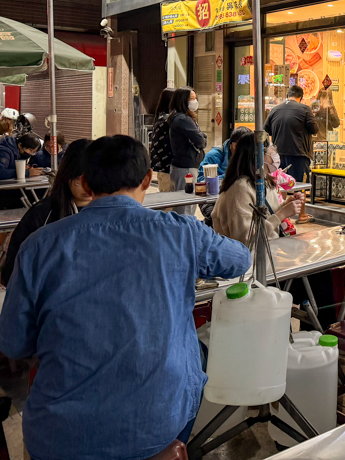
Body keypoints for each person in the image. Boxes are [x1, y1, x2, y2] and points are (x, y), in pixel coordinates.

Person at [0, 135, 251, 459]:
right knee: (196, 356)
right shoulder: (182, 231)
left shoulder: (38, 246)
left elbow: (13, 342)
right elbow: (240, 260)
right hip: (159, 427)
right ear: (147, 179)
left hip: (56, 436)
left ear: (86, 184)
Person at [0, 139, 90, 287]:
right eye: (80, 180)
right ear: (67, 175)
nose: (88, 188)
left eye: (94, 179)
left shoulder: (109, 215)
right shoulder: (43, 215)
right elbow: (13, 271)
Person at [212, 135, 303, 246]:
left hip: (267, 249)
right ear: (259, 156)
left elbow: (265, 214)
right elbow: (245, 238)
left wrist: (286, 205)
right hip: (244, 257)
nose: (276, 154)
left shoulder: (266, 182)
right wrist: (281, 214)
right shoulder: (239, 189)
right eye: (272, 149)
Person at [265, 84, 318, 184]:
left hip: (278, 155)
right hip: (299, 155)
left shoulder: (275, 110)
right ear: (301, 98)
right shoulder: (305, 109)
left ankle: (282, 200)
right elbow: (314, 129)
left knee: (280, 186)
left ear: (287, 96)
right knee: (300, 187)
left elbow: (266, 130)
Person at [169, 86, 207, 215]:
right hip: (186, 168)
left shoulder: (179, 117)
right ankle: (184, 233)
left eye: (195, 98)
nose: (194, 101)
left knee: (187, 204)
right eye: (191, 99)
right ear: (183, 100)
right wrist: (202, 137)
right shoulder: (183, 119)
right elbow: (201, 141)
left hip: (185, 166)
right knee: (186, 206)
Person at [149, 88, 176, 192]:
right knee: (168, 203)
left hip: (161, 168)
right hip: (167, 169)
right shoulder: (167, 121)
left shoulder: (159, 118)